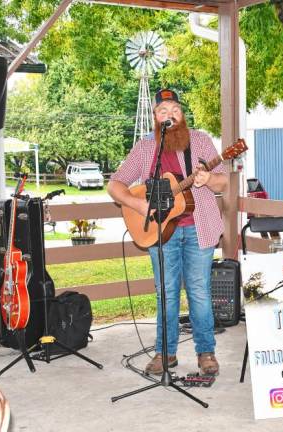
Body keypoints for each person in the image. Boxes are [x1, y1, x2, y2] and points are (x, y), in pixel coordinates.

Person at [107, 88, 227, 376]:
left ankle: (206, 351)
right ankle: (165, 353)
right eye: (163, 111)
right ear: (155, 117)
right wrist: (139, 203)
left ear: (182, 114)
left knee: (198, 291)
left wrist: (209, 178)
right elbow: (115, 184)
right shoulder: (146, 147)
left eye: (174, 109)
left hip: (199, 228)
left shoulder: (200, 141)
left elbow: (223, 183)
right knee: (166, 293)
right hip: (161, 232)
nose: (169, 115)